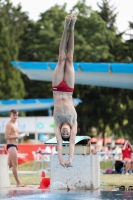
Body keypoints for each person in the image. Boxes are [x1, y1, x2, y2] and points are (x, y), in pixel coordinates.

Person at [52, 14, 77, 167]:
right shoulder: (73, 121)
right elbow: (71, 144)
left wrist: (61, 160)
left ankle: (65, 26)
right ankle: (72, 27)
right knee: (70, 58)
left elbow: (60, 144)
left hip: (56, 87)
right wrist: (70, 159)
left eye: (64, 134)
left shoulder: (56, 122)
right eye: (66, 134)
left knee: (61, 58)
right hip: (68, 88)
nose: (65, 133)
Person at [5, 109, 28, 187]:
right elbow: (7, 136)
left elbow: (16, 135)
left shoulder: (16, 123)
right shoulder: (9, 124)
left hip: (15, 145)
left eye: (16, 115)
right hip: (11, 146)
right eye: (13, 115)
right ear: (10, 115)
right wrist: (17, 136)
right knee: (15, 164)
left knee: (7, 165)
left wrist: (23, 134)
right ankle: (18, 182)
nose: (15, 117)